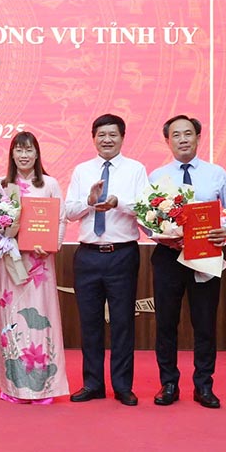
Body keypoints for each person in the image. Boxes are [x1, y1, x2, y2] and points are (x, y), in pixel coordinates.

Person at [148, 115, 226, 409]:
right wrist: (160, 234)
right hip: (168, 257)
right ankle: (168, 384)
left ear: (198, 138)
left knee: (204, 323)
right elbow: (146, 218)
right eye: (176, 135)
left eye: (188, 134)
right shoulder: (157, 176)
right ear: (168, 141)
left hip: (205, 255)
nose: (182, 140)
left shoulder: (216, 174)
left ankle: (203, 385)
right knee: (166, 322)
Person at [65, 113, 148, 406]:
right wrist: (89, 202)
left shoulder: (136, 169)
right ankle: (93, 383)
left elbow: (146, 208)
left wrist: (118, 203)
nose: (107, 139)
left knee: (123, 322)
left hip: (122, 255)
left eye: (112, 134)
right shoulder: (82, 170)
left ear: (122, 137)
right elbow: (69, 211)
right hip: (87, 255)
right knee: (89, 323)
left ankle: (123, 385)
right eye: (101, 134)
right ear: (93, 138)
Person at [0, 131, 70, 404]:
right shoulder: (0, 186)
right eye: (19, 150)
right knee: (12, 322)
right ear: (12, 154)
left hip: (40, 265)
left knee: (40, 321)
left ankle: (43, 387)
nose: (24, 155)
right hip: (12, 264)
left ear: (37, 153)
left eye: (29, 150)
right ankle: (14, 386)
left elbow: (59, 220)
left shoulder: (49, 184)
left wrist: (50, 246)